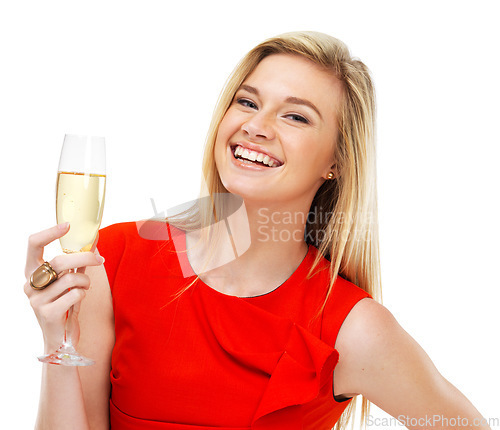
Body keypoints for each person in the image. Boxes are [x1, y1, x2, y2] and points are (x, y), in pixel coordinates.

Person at [24, 31, 491, 430]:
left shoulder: (352, 329)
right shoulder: (116, 258)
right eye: (247, 102)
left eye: (295, 115)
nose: (256, 126)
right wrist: (55, 342)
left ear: (336, 161)